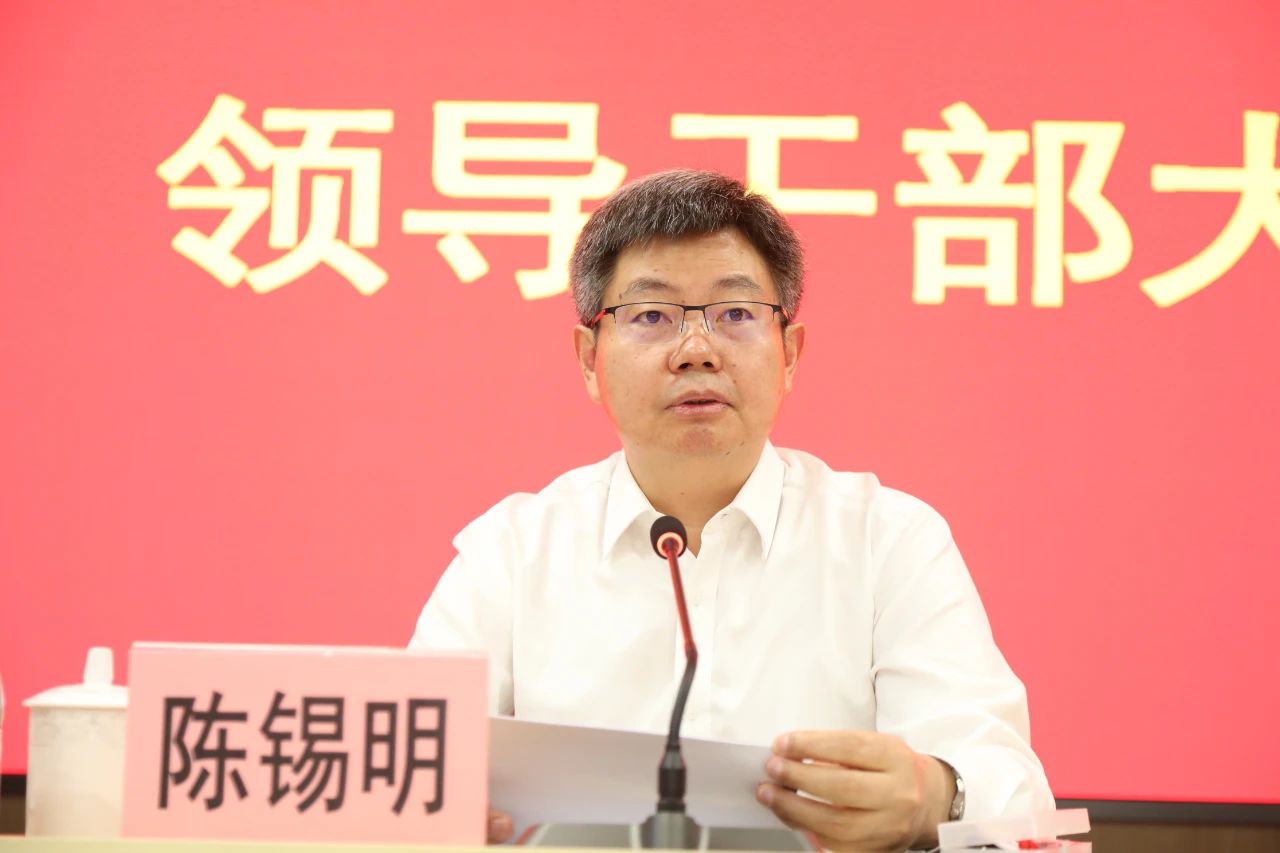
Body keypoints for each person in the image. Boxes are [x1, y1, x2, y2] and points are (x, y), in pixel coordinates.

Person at [410, 169, 1053, 851]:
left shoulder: (888, 542)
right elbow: (411, 769)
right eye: (651, 316)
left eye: (737, 314)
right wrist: (429, 822)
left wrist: (934, 797)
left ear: (790, 354)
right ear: (589, 360)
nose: (697, 352)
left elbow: (1015, 799)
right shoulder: (509, 554)